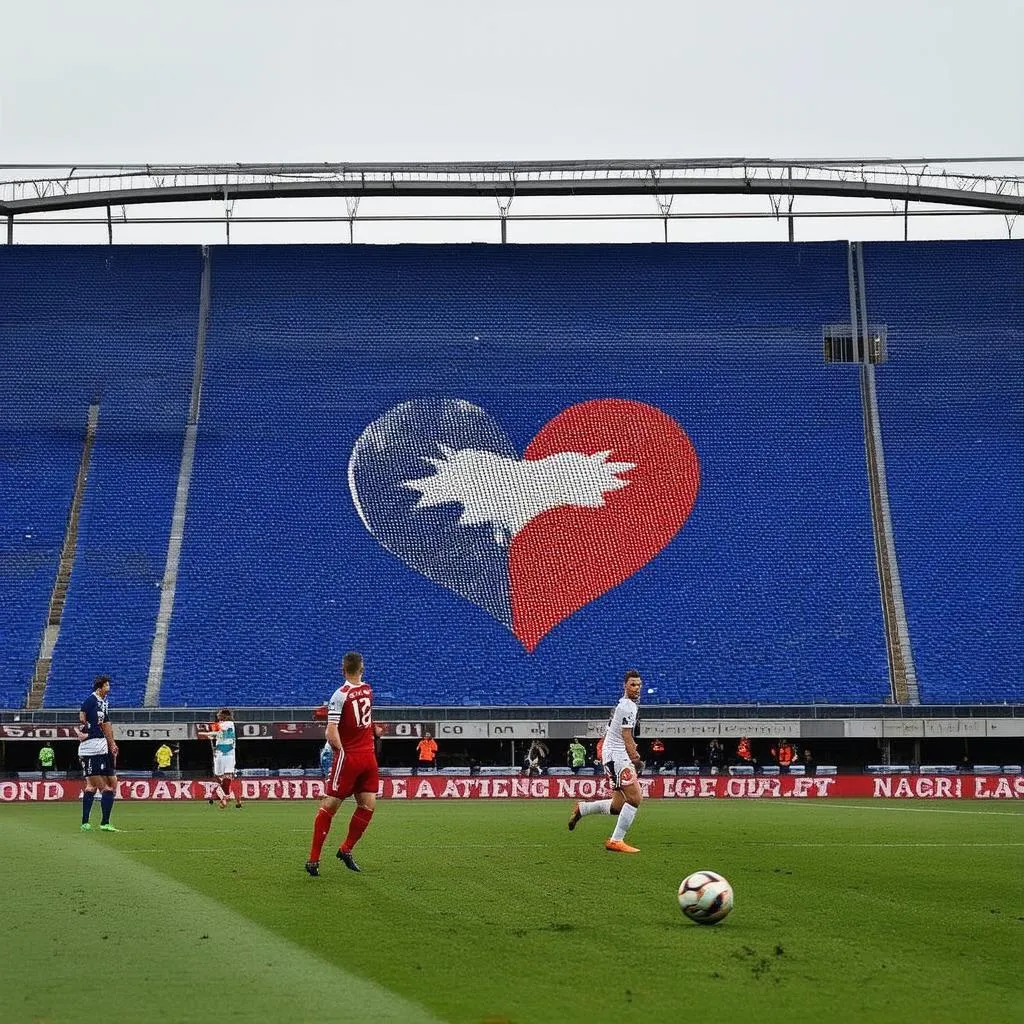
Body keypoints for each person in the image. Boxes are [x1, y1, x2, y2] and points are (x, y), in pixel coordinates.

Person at [306, 651, 379, 876]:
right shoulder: (365, 690)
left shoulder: (343, 694)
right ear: (362, 667)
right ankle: (313, 860)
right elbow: (331, 732)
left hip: (365, 756)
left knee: (367, 804)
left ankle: (345, 849)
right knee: (331, 805)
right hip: (356, 756)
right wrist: (343, 752)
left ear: (342, 669)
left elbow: (331, 730)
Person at [567, 670, 645, 854]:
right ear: (624, 685)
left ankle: (583, 809)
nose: (637, 688)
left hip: (611, 755)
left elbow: (618, 732)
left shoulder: (623, 705)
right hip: (618, 756)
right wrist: (636, 759)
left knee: (618, 806)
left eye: (639, 684)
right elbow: (626, 736)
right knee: (635, 798)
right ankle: (616, 840)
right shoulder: (628, 707)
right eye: (633, 684)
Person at [77, 676, 119, 832]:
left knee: (112, 783)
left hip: (103, 747)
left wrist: (112, 743)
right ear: (99, 687)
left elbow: (106, 723)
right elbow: (82, 717)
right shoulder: (91, 700)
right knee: (101, 787)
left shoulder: (104, 703)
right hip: (91, 748)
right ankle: (94, 822)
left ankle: (100, 822)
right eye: (107, 685)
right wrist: (87, 730)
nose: (109, 688)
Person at [197, 709, 242, 809]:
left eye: (219, 714)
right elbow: (217, 734)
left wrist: (205, 732)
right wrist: (207, 735)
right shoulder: (222, 726)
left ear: (224, 716)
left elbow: (215, 728)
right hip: (219, 753)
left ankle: (225, 798)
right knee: (218, 777)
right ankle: (232, 797)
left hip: (228, 753)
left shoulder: (229, 723)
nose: (217, 716)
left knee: (227, 775)